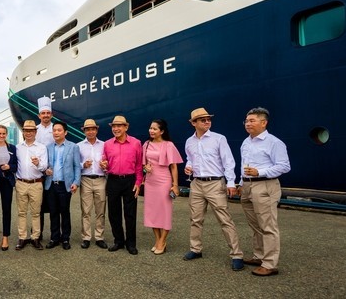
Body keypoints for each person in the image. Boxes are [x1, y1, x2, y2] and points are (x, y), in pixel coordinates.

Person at [183, 108, 244, 271]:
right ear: (193, 123)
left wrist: (231, 182)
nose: (207, 122)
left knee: (225, 219)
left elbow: (228, 161)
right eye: (203, 120)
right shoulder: (189, 141)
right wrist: (188, 166)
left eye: (209, 119)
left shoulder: (219, 139)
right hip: (196, 183)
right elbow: (190, 158)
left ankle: (237, 254)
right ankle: (195, 249)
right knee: (195, 219)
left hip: (215, 183)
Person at [239, 107, 291, 277]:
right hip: (247, 186)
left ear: (264, 123)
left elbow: (284, 166)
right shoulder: (246, 142)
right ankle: (259, 256)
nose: (248, 124)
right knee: (255, 225)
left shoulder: (274, 142)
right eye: (246, 121)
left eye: (252, 120)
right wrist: (241, 183)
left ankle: (270, 264)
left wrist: (260, 172)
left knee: (268, 226)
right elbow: (244, 164)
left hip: (265, 186)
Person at [101, 115, 143, 255]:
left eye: (119, 126)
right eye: (114, 126)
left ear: (126, 127)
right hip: (113, 180)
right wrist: (104, 166)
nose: (116, 129)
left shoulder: (136, 143)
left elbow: (139, 165)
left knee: (130, 213)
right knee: (114, 213)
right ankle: (118, 241)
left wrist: (138, 182)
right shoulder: (107, 144)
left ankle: (131, 243)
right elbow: (106, 164)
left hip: (130, 180)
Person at [141, 119, 183, 255]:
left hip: (164, 181)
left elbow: (174, 166)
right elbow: (143, 165)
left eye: (155, 129)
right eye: (150, 128)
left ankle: (162, 241)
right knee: (152, 211)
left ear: (162, 131)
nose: (151, 131)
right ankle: (157, 240)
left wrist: (175, 185)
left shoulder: (168, 145)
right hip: (150, 181)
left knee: (165, 211)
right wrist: (145, 168)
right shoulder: (146, 144)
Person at [44, 121, 81, 250]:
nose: (56, 132)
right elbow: (45, 165)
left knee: (65, 212)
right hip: (51, 184)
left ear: (65, 132)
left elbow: (77, 166)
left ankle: (65, 238)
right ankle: (54, 238)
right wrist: (46, 170)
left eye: (59, 130)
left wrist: (76, 182)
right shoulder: (48, 147)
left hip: (65, 185)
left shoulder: (73, 147)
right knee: (53, 212)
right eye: (54, 130)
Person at [15, 120, 48, 250]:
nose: (28, 133)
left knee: (36, 213)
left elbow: (44, 166)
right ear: (23, 132)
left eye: (31, 131)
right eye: (26, 131)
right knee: (21, 212)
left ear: (35, 132)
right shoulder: (18, 147)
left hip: (36, 183)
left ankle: (35, 238)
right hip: (21, 182)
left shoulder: (41, 148)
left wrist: (38, 163)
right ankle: (22, 238)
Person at [77, 119, 108, 249]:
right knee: (86, 210)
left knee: (101, 210)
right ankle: (86, 237)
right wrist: (83, 165)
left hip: (100, 179)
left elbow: (109, 162)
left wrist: (105, 166)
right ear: (84, 131)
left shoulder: (104, 145)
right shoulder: (78, 146)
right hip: (86, 179)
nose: (90, 132)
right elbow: (75, 164)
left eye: (92, 129)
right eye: (88, 129)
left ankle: (99, 237)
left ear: (96, 130)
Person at [35, 96, 54, 240]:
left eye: (48, 113)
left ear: (51, 115)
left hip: (53, 171)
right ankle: (37, 234)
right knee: (38, 205)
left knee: (54, 205)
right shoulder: (34, 130)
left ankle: (55, 236)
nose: (46, 115)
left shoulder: (57, 129)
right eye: (43, 113)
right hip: (37, 172)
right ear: (39, 115)